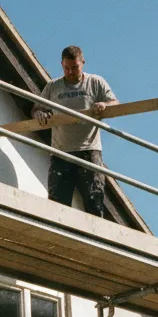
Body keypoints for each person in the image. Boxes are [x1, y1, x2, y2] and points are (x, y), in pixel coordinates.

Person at [33, 46, 117, 216]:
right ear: (62, 65)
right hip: (61, 153)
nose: (70, 72)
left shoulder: (95, 82)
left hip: (89, 150)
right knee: (57, 205)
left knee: (94, 201)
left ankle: (94, 240)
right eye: (66, 68)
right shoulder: (53, 87)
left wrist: (104, 105)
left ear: (82, 63)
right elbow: (36, 108)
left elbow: (115, 104)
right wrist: (39, 114)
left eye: (75, 67)